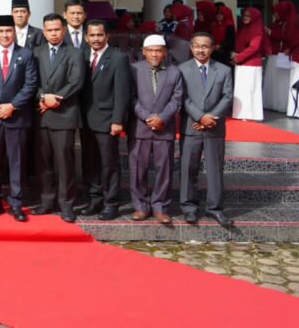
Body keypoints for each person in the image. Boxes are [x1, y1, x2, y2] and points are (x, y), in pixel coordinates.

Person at [0, 14, 38, 222]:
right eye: (1, 31)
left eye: (9, 31)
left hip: (17, 117)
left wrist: (12, 106)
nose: (5, 35)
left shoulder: (26, 54)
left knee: (17, 162)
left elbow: (30, 85)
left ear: (15, 32)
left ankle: (16, 203)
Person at [31, 14, 85, 222]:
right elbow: (30, 80)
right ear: (43, 32)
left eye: (56, 29)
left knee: (64, 162)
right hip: (42, 114)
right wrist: (44, 97)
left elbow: (76, 81)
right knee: (43, 162)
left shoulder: (74, 53)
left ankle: (66, 204)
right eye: (49, 30)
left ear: (63, 30)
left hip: (64, 113)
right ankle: (46, 200)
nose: (53, 34)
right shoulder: (35, 53)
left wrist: (56, 99)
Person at [179, 32, 234, 227]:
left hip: (214, 127)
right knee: (188, 168)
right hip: (191, 126)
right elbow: (182, 97)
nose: (201, 50)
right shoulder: (182, 69)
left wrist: (210, 118)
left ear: (212, 48)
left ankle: (215, 208)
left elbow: (227, 97)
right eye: (197, 46)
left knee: (215, 168)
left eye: (205, 46)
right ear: (191, 47)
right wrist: (200, 116)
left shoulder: (224, 70)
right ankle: (189, 207)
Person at [129, 34, 184, 224]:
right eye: (150, 50)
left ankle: (160, 206)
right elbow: (131, 97)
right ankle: (140, 206)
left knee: (165, 169)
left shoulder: (174, 72)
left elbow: (177, 99)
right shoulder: (134, 69)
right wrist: (146, 116)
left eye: (158, 50)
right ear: (143, 52)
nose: (154, 54)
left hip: (164, 128)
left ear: (165, 52)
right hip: (140, 127)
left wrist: (162, 118)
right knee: (138, 169)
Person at [79, 19, 131, 220]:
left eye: (99, 35)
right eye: (92, 35)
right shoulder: (82, 56)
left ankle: (111, 203)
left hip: (108, 120)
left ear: (107, 36)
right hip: (85, 120)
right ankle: (94, 198)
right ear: (86, 37)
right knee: (90, 162)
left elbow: (122, 92)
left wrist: (118, 120)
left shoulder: (118, 58)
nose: (96, 39)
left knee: (109, 164)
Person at [232, 6, 266, 121]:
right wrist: (236, 55)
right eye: (244, 15)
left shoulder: (257, 30)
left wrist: (239, 57)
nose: (245, 18)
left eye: (248, 16)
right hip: (242, 62)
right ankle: (242, 113)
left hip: (251, 64)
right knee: (242, 89)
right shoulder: (244, 28)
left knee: (248, 89)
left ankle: (249, 114)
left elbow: (254, 48)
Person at [265, 0, 296, 113]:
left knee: (281, 81)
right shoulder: (278, 23)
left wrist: (271, 33)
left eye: (277, 12)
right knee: (273, 80)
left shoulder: (290, 23)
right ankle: (272, 103)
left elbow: (289, 37)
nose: (275, 14)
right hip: (274, 54)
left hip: (283, 55)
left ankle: (281, 104)